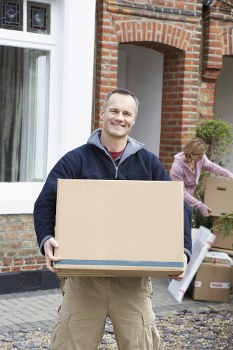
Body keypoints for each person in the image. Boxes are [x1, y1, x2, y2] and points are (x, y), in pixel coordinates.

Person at [34, 88, 192, 350]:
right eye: (115, 111)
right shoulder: (76, 160)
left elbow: (177, 207)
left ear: (134, 119)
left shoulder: (149, 164)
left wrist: (182, 251)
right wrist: (46, 239)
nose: (120, 117)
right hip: (84, 281)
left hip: (133, 282)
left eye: (127, 113)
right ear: (103, 113)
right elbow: (45, 202)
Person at [170, 137, 233, 217]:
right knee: (183, 228)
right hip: (178, 202)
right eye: (199, 156)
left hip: (190, 201)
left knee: (187, 228)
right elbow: (181, 192)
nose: (202, 158)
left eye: (203, 156)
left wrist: (229, 174)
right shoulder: (177, 168)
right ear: (190, 154)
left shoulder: (200, 158)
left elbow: (212, 166)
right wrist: (200, 205)